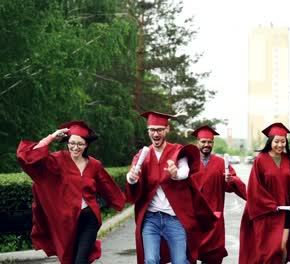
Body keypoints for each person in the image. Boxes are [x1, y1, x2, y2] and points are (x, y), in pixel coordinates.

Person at [16, 121, 126, 264]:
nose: (75, 147)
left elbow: (108, 186)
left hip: (89, 219)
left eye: (80, 144)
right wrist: (51, 137)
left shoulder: (94, 165)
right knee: (70, 260)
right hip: (66, 222)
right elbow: (30, 156)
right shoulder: (57, 159)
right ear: (67, 142)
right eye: (72, 143)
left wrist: (122, 202)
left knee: (81, 260)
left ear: (86, 145)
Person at [126, 111, 218, 264]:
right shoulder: (143, 155)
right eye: (152, 130)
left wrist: (175, 174)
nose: (156, 133)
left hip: (174, 219)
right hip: (151, 219)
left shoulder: (177, 151)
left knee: (180, 261)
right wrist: (131, 178)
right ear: (148, 131)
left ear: (167, 129)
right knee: (150, 260)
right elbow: (132, 175)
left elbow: (185, 171)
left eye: (160, 130)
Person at [239, 122, 290, 264]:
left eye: (283, 141)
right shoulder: (260, 160)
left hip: (285, 210)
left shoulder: (288, 160)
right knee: (269, 250)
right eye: (276, 141)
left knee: (281, 247)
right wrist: (271, 205)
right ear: (270, 141)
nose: (280, 145)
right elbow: (254, 188)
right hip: (266, 212)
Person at [190, 125, 247, 264]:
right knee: (189, 254)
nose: (206, 145)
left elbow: (233, 182)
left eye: (209, 142)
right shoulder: (189, 162)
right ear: (198, 142)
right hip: (193, 217)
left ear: (213, 143)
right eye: (203, 141)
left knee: (213, 256)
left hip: (213, 218)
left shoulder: (221, 163)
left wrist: (231, 179)